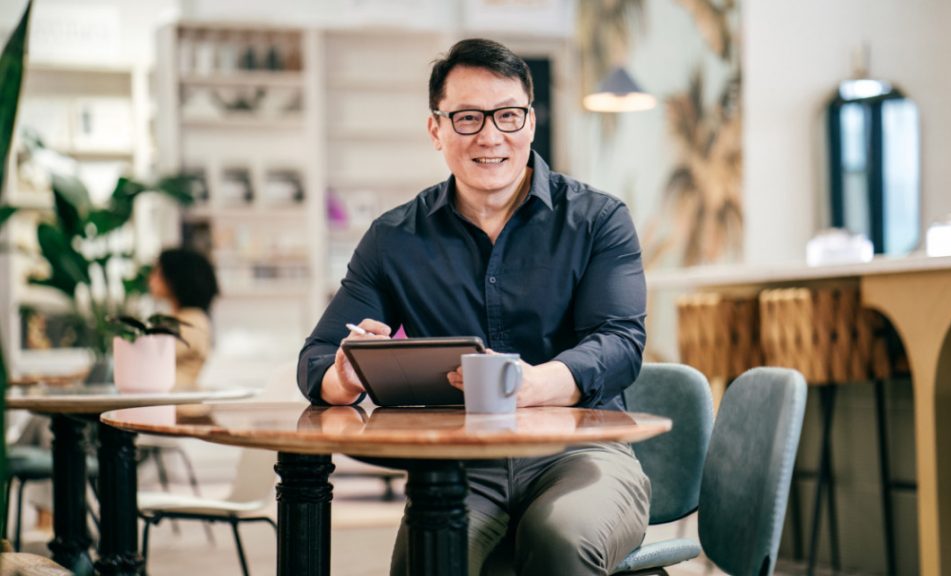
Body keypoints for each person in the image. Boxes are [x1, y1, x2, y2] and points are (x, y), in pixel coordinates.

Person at [298, 38, 649, 575]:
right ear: (435, 129)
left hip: (584, 453)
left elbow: (621, 345)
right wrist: (345, 377)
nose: (491, 136)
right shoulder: (394, 238)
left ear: (530, 122)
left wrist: (538, 384)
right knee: (431, 556)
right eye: (467, 118)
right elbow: (318, 358)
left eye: (508, 115)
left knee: (561, 537)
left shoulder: (598, 220)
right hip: (456, 466)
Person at [147, 247, 219, 390]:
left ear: (175, 278)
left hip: (179, 407)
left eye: (158, 272)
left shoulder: (192, 322)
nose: (151, 278)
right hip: (166, 404)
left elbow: (147, 358)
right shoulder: (178, 318)